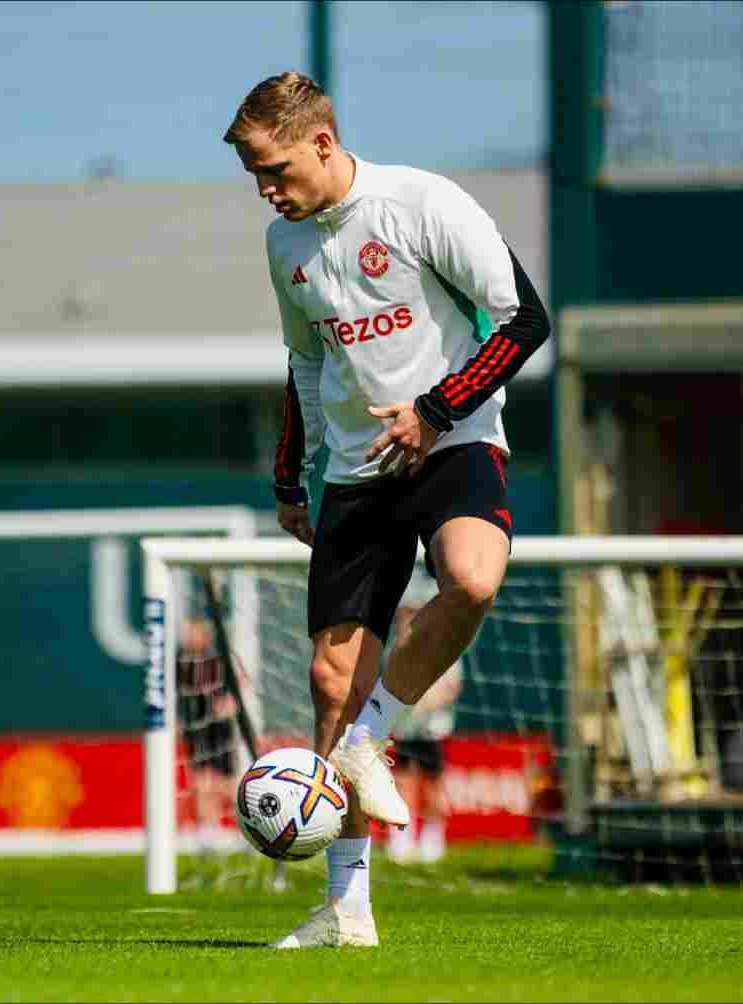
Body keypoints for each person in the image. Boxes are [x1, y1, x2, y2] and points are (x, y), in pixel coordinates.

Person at [223, 70, 550, 948]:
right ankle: (347, 910)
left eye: (275, 167)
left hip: (451, 440)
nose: (265, 188)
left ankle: (373, 741)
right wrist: (292, 479)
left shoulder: (420, 202)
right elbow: (302, 365)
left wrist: (435, 409)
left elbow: (522, 319)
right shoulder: (283, 243)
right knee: (332, 683)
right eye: (254, 174)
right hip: (355, 473)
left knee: (473, 581)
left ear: (323, 143)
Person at [385, 573, 463, 865]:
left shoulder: (444, 647)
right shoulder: (394, 649)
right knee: (402, 783)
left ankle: (433, 836)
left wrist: (421, 704)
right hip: (404, 729)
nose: (406, 619)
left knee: (431, 785)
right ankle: (402, 837)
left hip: (431, 729)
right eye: (404, 614)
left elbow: (451, 687)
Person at [176, 616, 240, 853]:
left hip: (219, 730)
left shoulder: (218, 661)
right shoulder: (180, 662)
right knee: (201, 780)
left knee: (225, 783)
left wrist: (229, 704)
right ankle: (208, 830)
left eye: (195, 632)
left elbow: (238, 685)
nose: (190, 637)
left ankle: (249, 821)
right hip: (196, 729)